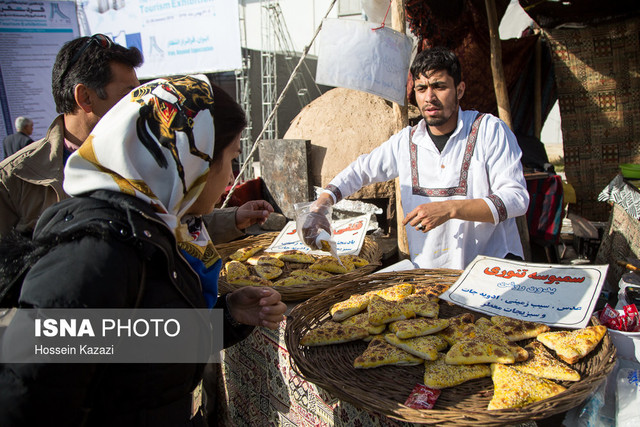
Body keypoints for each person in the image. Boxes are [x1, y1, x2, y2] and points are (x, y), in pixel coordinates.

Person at [0, 75, 287, 426]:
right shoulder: (96, 254)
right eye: (229, 160)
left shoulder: (157, 232)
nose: (230, 179)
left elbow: (136, 347)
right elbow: (27, 401)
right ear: (189, 160)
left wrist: (227, 317)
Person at [0, 34, 271, 240]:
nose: (141, 105)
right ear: (85, 97)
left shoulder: (145, 153)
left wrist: (233, 218)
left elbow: (169, 217)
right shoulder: (15, 179)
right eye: (129, 95)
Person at [304, 47, 530, 269]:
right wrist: (321, 205)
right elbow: (360, 171)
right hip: (430, 275)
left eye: (439, 87)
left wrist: (449, 208)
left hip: (491, 269)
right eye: (421, 88)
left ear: (460, 90)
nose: (429, 97)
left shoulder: (489, 130)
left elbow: (516, 198)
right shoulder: (407, 141)